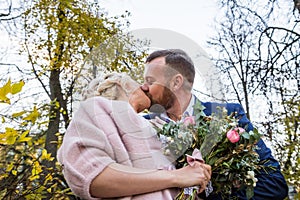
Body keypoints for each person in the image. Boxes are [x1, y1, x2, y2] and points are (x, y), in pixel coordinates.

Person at [141, 49, 289, 200]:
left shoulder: (229, 116)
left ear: (176, 82)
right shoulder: (142, 125)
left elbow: (274, 184)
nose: (143, 88)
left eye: (150, 81)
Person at [57, 72, 212, 200]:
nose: (145, 87)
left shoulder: (155, 126)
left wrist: (194, 178)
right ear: (117, 85)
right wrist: (175, 177)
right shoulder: (94, 109)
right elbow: (92, 177)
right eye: (138, 84)